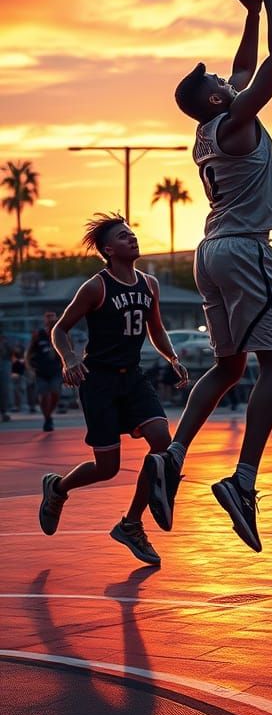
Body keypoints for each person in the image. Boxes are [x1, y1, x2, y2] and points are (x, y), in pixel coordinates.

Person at [145, 0, 272, 553]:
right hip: (244, 251)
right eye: (215, 83)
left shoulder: (210, 127)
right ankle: (243, 480)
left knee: (230, 365)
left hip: (210, 251)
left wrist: (251, 12)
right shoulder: (234, 122)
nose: (224, 80)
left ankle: (174, 456)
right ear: (212, 100)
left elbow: (244, 65)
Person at [39, 213, 188, 566]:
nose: (132, 239)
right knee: (107, 467)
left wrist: (172, 357)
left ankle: (131, 523)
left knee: (162, 441)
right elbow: (60, 330)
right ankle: (57, 489)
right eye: (123, 236)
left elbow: (156, 328)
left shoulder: (149, 284)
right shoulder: (96, 287)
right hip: (99, 381)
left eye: (132, 233)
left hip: (133, 377)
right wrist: (70, 358)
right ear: (108, 249)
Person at [26, 313, 62, 431]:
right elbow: (28, 353)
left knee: (55, 393)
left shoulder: (61, 333)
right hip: (40, 371)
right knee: (43, 395)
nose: (51, 320)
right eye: (48, 317)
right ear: (45, 321)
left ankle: (49, 414)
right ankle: (47, 418)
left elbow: (69, 351)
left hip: (56, 370)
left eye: (53, 317)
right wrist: (30, 368)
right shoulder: (38, 335)